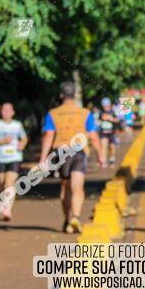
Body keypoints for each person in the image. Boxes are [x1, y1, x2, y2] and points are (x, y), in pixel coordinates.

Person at [40, 81, 104, 233]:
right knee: (78, 186)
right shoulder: (85, 113)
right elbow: (94, 137)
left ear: (61, 95)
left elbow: (49, 135)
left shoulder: (53, 113)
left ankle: (67, 219)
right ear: (75, 95)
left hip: (61, 151)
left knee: (65, 187)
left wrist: (43, 158)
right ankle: (76, 216)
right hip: (79, 151)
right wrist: (100, 155)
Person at [0, 102, 28, 221]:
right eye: (4, 110)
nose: (6, 112)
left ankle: (7, 210)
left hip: (15, 158)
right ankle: (4, 205)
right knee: (2, 184)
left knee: (9, 184)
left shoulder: (17, 125)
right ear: (1, 112)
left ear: (13, 112)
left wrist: (22, 144)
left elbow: (24, 137)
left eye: (9, 110)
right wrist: (2, 141)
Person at [98, 97, 119, 167]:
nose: (105, 107)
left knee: (112, 147)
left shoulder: (113, 112)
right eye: (104, 105)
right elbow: (98, 120)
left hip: (111, 132)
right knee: (104, 146)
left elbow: (117, 120)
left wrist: (111, 118)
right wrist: (99, 121)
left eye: (107, 105)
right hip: (103, 132)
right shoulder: (100, 112)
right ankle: (103, 161)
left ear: (109, 105)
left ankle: (112, 159)